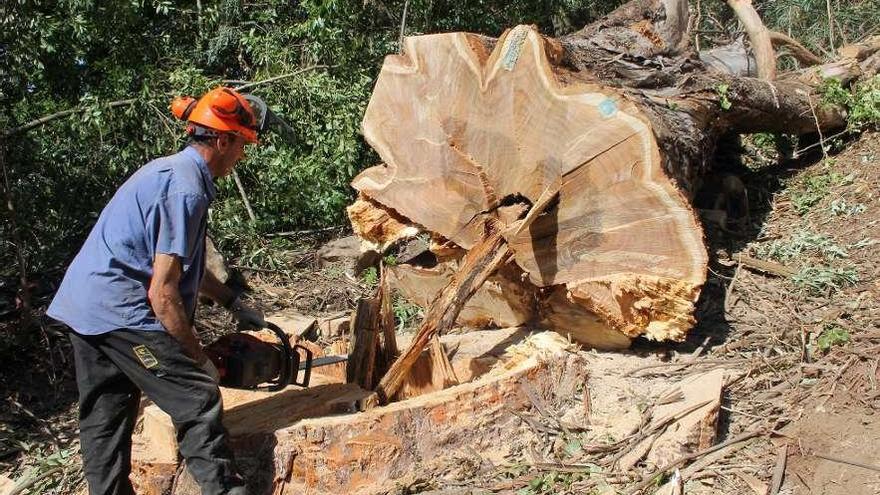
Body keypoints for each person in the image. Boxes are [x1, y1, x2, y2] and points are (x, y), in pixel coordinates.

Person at [47, 87, 267, 495]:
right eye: (241, 145)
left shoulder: (169, 172)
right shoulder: (187, 189)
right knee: (197, 398)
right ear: (223, 140)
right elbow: (163, 295)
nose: (241, 156)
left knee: (106, 415)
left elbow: (183, 268)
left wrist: (232, 301)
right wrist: (197, 357)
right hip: (122, 310)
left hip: (86, 307)